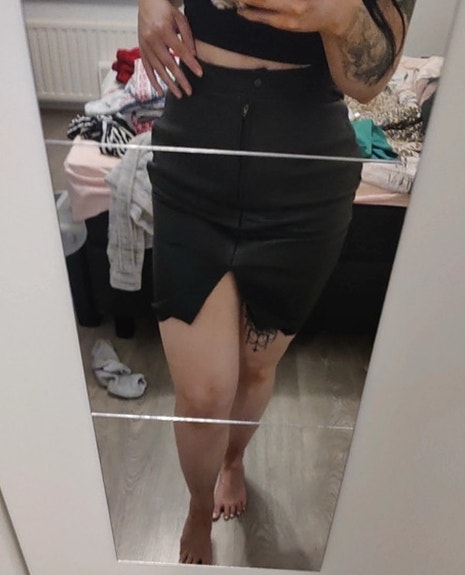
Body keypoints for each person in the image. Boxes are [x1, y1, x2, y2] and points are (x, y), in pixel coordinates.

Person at [138, 0, 415, 565]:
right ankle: (197, 507)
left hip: (305, 165)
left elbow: (370, 82)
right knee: (202, 397)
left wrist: (337, 14)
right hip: (196, 137)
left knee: (256, 366)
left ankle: (233, 460)